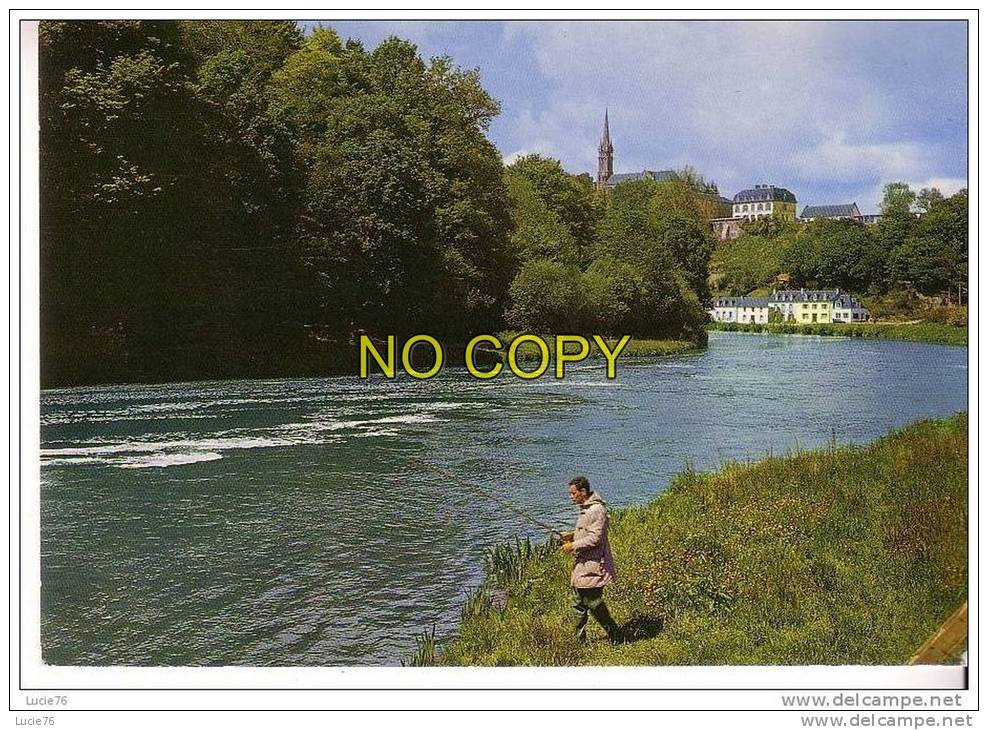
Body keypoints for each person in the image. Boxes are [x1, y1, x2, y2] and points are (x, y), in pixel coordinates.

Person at [561, 475, 622, 644]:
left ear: (583, 491)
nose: (571, 497)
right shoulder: (587, 508)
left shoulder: (596, 510)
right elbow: (588, 532)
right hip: (585, 565)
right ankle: (580, 640)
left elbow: (595, 538)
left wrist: (572, 546)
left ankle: (615, 634)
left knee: (592, 604)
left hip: (593, 565)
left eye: (573, 494)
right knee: (580, 603)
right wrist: (572, 536)